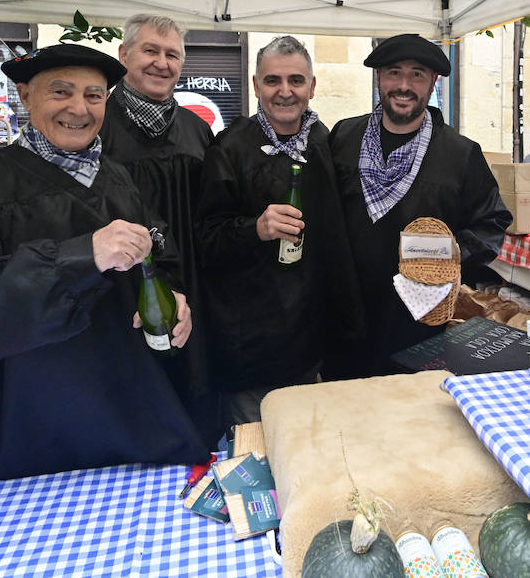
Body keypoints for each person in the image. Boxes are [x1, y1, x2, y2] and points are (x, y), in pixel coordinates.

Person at [0, 43, 206, 482]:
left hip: (133, 409)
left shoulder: (118, 177)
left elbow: (159, 255)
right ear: (26, 96)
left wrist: (174, 296)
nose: (78, 109)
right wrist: (80, 257)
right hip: (36, 427)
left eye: (93, 95)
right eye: (61, 92)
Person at [197, 36, 363, 425]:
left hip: (314, 338)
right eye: (273, 81)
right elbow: (205, 239)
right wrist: (254, 228)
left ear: (312, 86)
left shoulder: (328, 144)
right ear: (256, 86)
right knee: (255, 455)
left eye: (296, 81)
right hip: (254, 342)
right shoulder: (230, 149)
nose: (285, 92)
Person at [330, 34, 512, 376]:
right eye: (393, 73)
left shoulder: (459, 153)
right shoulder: (344, 137)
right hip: (346, 316)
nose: (404, 85)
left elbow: (492, 221)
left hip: (418, 321)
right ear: (379, 78)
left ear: (433, 82)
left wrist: (452, 258)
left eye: (417, 74)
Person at [101, 14, 217, 440]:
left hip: (194, 285)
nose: (161, 63)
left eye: (172, 55)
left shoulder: (197, 131)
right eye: (150, 50)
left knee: (194, 393)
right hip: (126, 292)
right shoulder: (97, 128)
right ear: (124, 54)